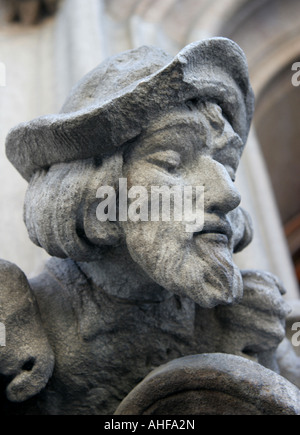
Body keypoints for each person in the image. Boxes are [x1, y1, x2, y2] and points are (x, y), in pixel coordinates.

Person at [0, 38, 290, 415]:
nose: (228, 195)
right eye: (172, 162)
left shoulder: (248, 326)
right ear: (92, 189)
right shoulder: (23, 327)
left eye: (227, 168)